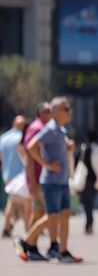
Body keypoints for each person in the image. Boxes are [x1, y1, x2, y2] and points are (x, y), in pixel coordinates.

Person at [14, 98, 82, 263]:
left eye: (68, 108)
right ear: (56, 111)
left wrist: (68, 146)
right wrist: (47, 165)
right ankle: (25, 241)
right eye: (65, 108)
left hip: (62, 180)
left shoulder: (61, 130)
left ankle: (63, 251)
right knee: (52, 216)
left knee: (65, 215)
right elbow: (31, 146)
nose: (69, 111)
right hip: (50, 181)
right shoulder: (50, 128)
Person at [22, 102, 58, 256]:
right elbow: (30, 155)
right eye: (50, 111)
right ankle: (37, 245)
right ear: (42, 113)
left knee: (39, 213)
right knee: (52, 213)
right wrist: (33, 181)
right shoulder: (37, 128)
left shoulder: (44, 128)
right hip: (40, 179)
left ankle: (30, 247)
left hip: (42, 178)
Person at [1, 115, 28, 237]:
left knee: (14, 203)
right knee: (22, 203)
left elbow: (1, 157)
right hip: (20, 176)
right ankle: (28, 231)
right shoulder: (21, 138)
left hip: (7, 175)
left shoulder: (4, 138)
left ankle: (8, 227)